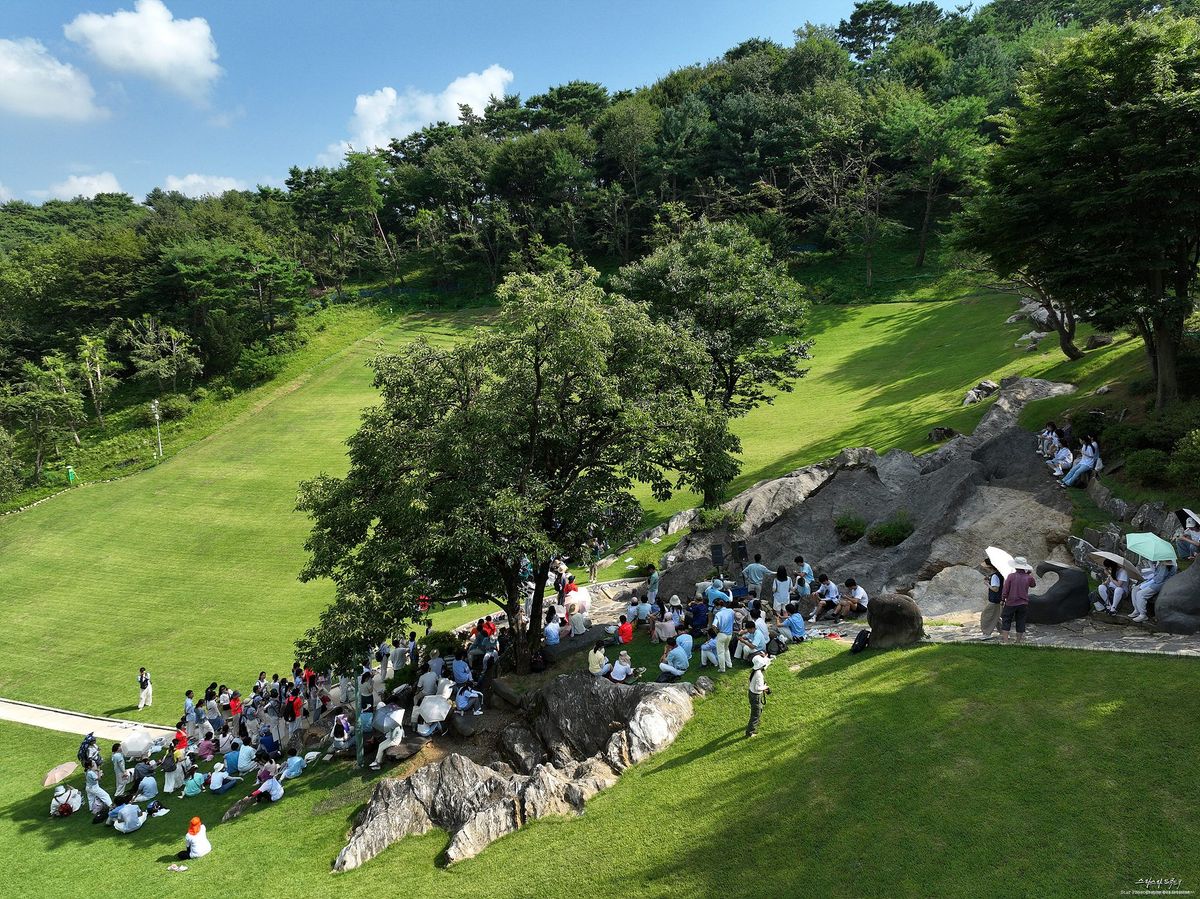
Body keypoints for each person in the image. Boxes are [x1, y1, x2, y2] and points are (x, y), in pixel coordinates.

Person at [1000, 557, 1037, 643]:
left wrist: (1002, 599)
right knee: (1021, 621)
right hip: (1023, 603)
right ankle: (1018, 641)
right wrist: (1029, 574)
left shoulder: (1011, 576)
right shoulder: (1028, 577)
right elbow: (1033, 585)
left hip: (1011, 602)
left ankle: (1006, 641)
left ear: (1015, 566)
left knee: (1006, 620)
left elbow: (1006, 589)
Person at [746, 654, 771, 738]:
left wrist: (766, 658)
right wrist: (765, 687)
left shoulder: (755, 671)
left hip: (752, 693)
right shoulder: (759, 674)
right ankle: (750, 732)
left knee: (758, 709)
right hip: (755, 696)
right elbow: (758, 688)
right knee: (755, 713)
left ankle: (756, 722)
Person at [980, 559, 1004, 639]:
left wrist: (987, 584)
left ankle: (986, 633)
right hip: (998, 599)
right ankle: (1003, 632)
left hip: (994, 600)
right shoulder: (998, 574)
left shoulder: (994, 576)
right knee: (996, 616)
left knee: (986, 616)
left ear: (990, 567)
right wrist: (989, 579)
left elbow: (995, 589)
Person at [713, 600, 735, 672]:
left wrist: (716, 632)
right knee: (726, 649)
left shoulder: (718, 614)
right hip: (729, 634)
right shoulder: (731, 611)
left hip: (722, 634)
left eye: (715, 606)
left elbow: (714, 625)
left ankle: (722, 668)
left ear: (718, 605)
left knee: (720, 652)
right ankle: (729, 664)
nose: (715, 607)